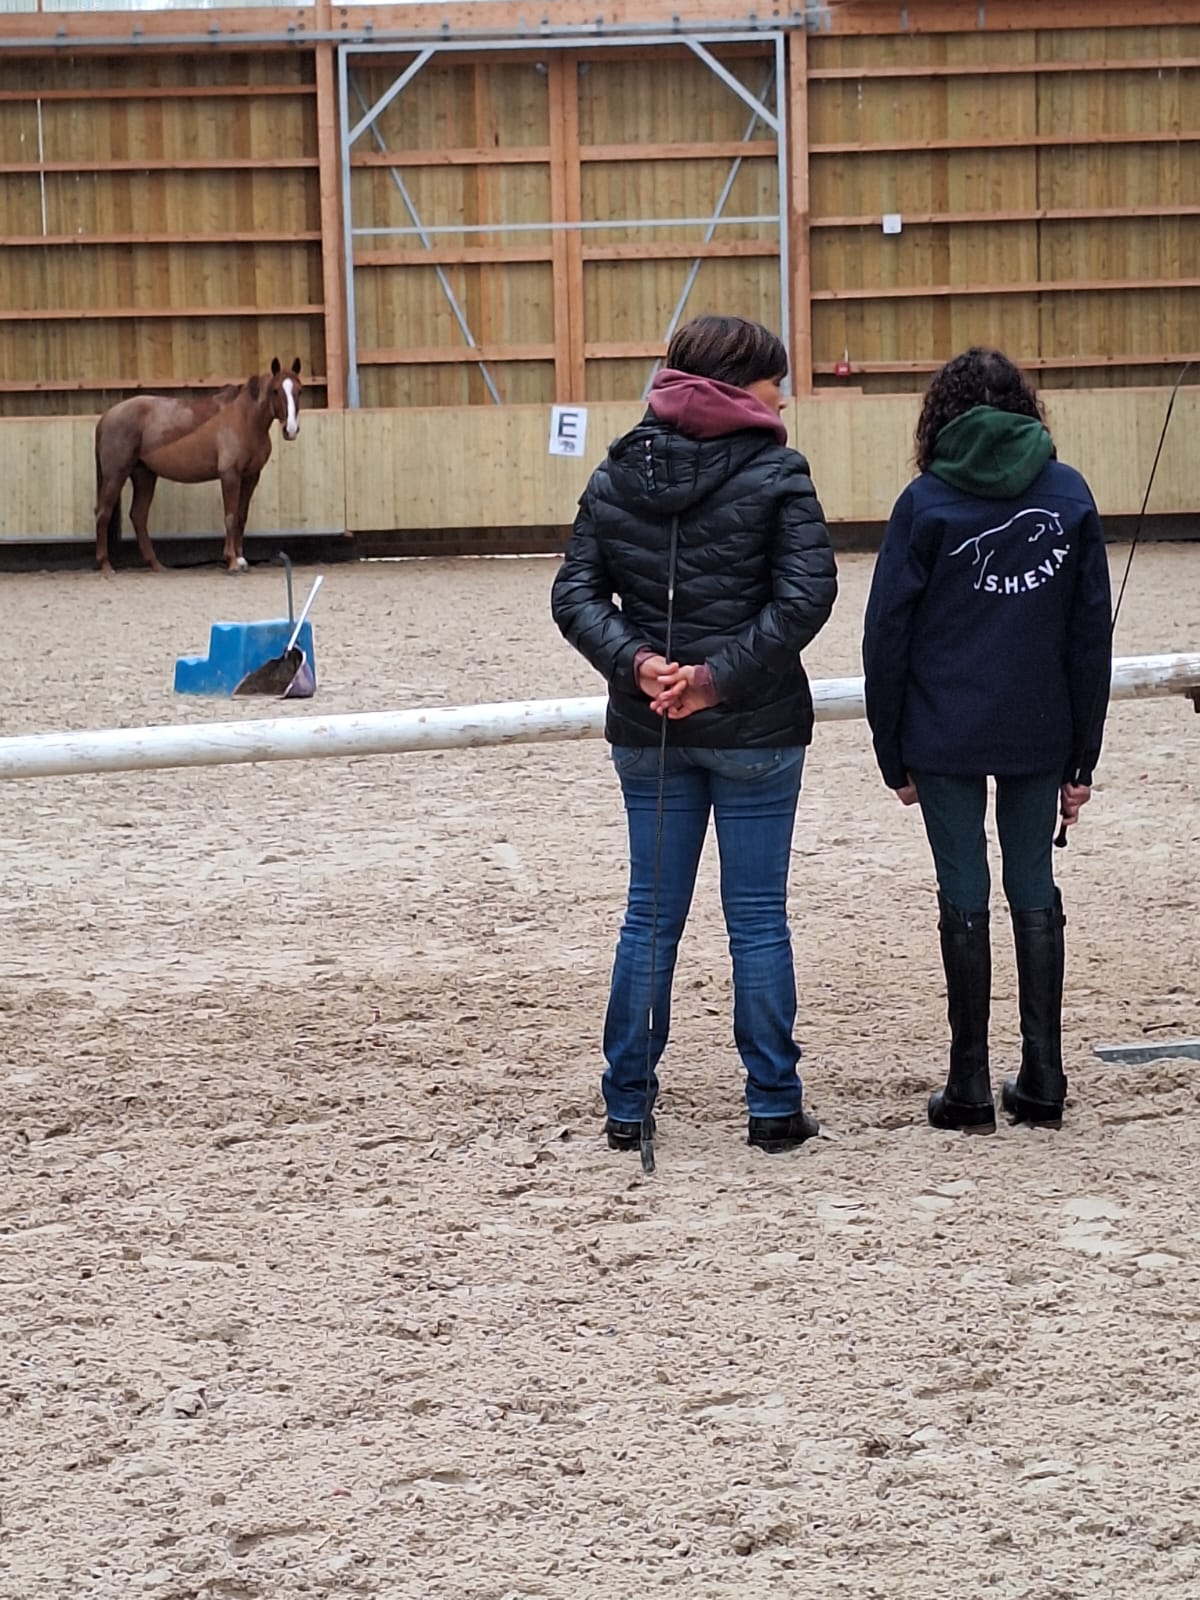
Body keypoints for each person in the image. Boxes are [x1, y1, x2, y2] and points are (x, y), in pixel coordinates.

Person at [551, 314, 837, 1154]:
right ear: (735, 384)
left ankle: (629, 1103)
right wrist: (712, 681)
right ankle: (773, 1106)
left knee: (649, 918)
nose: (781, 394)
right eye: (771, 379)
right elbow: (805, 599)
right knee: (756, 920)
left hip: (649, 728)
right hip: (756, 729)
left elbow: (574, 596)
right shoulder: (780, 470)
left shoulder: (614, 473)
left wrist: (638, 665)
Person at [862, 347, 1112, 1133]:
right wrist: (1084, 757)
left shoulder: (925, 502)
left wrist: (889, 747)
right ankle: (1044, 1078)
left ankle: (968, 1085)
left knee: (963, 892)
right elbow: (1088, 640)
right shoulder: (1069, 494)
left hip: (943, 731)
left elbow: (886, 636)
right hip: (1041, 730)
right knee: (1033, 886)